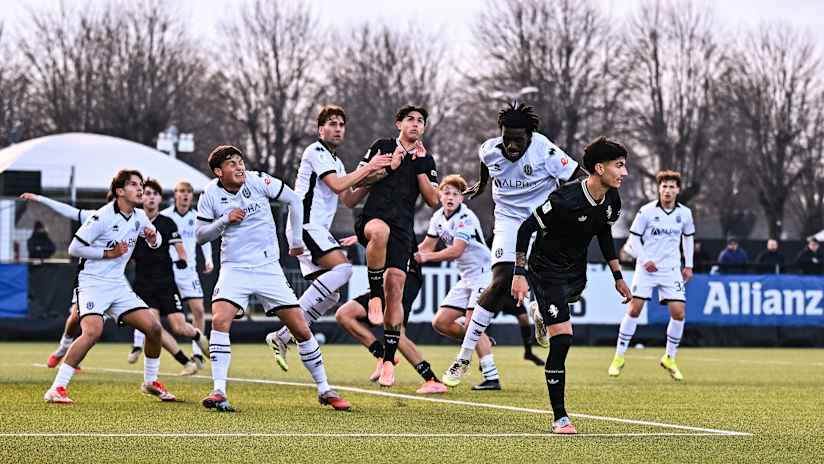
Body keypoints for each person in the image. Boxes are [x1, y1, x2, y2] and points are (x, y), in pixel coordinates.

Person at [196, 145, 349, 412]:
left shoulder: (258, 180)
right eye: (232, 163)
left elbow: (294, 199)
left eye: (240, 161)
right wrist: (224, 221)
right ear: (219, 171)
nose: (239, 166)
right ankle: (219, 390)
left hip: (268, 267)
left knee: (300, 328)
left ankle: (325, 389)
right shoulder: (209, 194)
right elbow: (200, 235)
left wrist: (298, 239)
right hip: (235, 268)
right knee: (220, 319)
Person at [442, 102, 583, 386]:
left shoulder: (546, 151)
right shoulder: (490, 149)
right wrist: (482, 184)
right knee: (502, 279)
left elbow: (578, 177)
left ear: (530, 136)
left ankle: (539, 311)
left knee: (547, 280)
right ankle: (464, 356)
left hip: (542, 221)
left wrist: (562, 204)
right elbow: (486, 163)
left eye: (518, 140)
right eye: (507, 138)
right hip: (507, 220)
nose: (511, 145)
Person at [511, 137, 631, 434]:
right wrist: (519, 272)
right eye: (619, 166)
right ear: (600, 168)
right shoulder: (564, 199)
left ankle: (542, 313)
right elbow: (526, 228)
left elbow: (603, 233)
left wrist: (618, 276)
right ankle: (560, 417)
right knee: (562, 338)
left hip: (575, 271)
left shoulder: (612, 199)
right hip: (545, 268)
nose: (624, 173)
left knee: (566, 305)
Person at [264, 105, 391, 371]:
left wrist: (382, 175)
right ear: (320, 129)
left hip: (314, 229)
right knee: (344, 268)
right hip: (306, 226)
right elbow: (337, 185)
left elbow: (348, 197)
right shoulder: (316, 151)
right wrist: (369, 168)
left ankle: (282, 336)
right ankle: (286, 326)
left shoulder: (337, 161)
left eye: (341, 124)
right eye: (332, 124)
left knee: (331, 297)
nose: (337, 129)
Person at [44, 170, 178, 404]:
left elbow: (156, 243)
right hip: (92, 284)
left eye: (142, 184)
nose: (140, 189)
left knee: (154, 328)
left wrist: (152, 236)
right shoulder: (102, 216)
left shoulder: (139, 215)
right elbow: (74, 249)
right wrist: (108, 253)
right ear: (119, 191)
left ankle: (150, 381)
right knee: (92, 332)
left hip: (117, 285)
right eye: (134, 185)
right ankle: (56, 388)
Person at [352, 105, 440, 387]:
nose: (415, 124)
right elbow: (359, 182)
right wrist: (387, 167)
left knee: (397, 291)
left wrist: (419, 167)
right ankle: (373, 295)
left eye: (420, 121)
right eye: (410, 120)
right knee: (379, 232)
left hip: (404, 230)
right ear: (398, 124)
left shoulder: (426, 159)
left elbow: (432, 200)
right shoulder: (382, 146)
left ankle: (389, 361)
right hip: (373, 217)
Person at [608, 170, 694, 381]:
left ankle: (669, 358)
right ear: (659, 189)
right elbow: (634, 240)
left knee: (679, 313)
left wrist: (689, 265)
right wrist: (645, 259)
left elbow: (688, 239)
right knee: (635, 308)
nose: (667, 190)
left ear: (678, 190)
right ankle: (618, 357)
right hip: (647, 269)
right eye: (664, 186)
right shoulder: (646, 211)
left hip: (671, 270)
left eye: (672, 187)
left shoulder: (685, 214)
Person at [420, 175, 502, 390]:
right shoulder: (437, 218)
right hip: (466, 277)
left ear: (462, 199)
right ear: (439, 196)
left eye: (456, 194)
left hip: (484, 273)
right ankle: (478, 337)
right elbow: (425, 248)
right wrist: (406, 256)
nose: (451, 197)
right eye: (446, 192)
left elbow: (456, 250)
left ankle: (491, 377)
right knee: (440, 322)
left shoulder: (466, 218)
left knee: (470, 323)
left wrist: (426, 258)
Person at [335, 240, 447, 394]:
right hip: (385, 280)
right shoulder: (373, 223)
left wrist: (370, 235)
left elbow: (396, 233)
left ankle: (432, 380)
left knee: (397, 334)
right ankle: (383, 356)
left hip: (404, 277)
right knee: (344, 314)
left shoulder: (397, 221)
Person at [127, 179, 209, 376]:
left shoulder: (166, 222)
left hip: (166, 282)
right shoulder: (134, 222)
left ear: (160, 198)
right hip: (144, 284)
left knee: (180, 327)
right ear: (141, 198)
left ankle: (197, 336)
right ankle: (185, 361)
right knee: (152, 328)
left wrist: (182, 259)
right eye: (147, 193)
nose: (151, 197)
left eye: (155, 194)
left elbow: (181, 248)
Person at [19, 193, 94, 370]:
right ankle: (63, 352)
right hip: (91, 279)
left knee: (149, 325)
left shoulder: (137, 220)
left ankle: (150, 373)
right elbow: (69, 211)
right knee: (78, 317)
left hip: (117, 283)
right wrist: (40, 199)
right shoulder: (97, 216)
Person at [160, 181, 215, 369]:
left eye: (189, 192)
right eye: (181, 191)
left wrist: (209, 259)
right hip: (168, 272)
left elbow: (204, 239)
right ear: (175, 194)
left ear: (192, 196)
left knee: (199, 310)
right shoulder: (165, 217)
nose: (185, 195)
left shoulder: (197, 217)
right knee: (157, 315)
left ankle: (197, 352)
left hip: (189, 272)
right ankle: (139, 346)